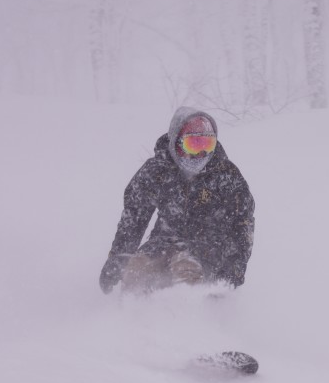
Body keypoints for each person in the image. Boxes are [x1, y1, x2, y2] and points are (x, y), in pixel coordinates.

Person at [99, 107, 255, 294]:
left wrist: (234, 269)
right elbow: (134, 217)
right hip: (162, 243)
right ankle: (130, 317)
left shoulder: (226, 175)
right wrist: (118, 258)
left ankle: (188, 319)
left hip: (209, 249)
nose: (201, 154)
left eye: (207, 145)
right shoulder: (158, 170)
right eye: (194, 145)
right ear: (176, 142)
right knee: (136, 270)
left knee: (185, 275)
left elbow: (242, 224)